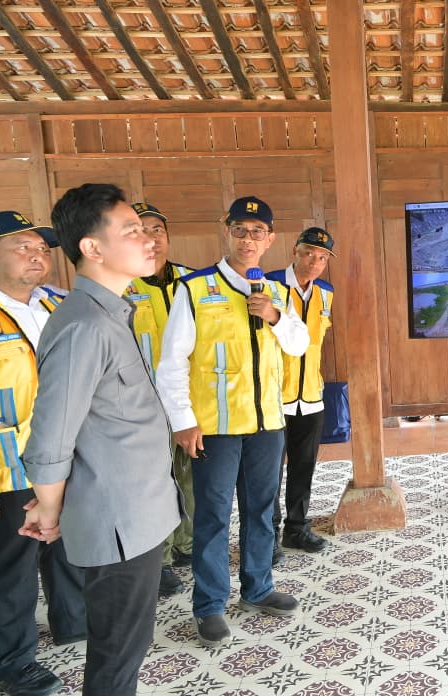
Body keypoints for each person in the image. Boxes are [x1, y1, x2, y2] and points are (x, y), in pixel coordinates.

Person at [19, 184, 181, 696]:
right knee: (115, 659)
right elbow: (51, 436)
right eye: (131, 231)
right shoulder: (85, 324)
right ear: (92, 247)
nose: (148, 239)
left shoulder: (111, 312)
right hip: (118, 520)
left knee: (126, 647)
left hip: (136, 513)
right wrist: (50, 509)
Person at [155, 196, 309, 648]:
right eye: (240, 230)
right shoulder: (195, 288)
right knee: (213, 515)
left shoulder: (276, 291)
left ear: (270, 239)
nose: (248, 239)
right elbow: (172, 362)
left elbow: (298, 344)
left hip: (267, 423)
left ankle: (258, 588)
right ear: (227, 233)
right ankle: (209, 605)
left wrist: (274, 316)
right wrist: (183, 421)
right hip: (216, 427)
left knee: (261, 510)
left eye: (257, 232)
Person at [0, 211, 86, 696]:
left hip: (63, 451)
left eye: (41, 249)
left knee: (65, 541)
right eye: (22, 248)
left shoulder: (57, 304)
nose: (37, 256)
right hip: (9, 463)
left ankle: (73, 620)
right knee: (14, 562)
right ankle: (13, 662)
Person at [125, 202, 195, 598]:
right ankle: (161, 559)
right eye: (141, 230)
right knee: (156, 482)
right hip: (143, 404)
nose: (151, 238)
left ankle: (188, 544)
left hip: (188, 400)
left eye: (158, 230)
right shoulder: (121, 285)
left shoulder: (192, 281)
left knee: (190, 475)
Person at [267, 227, 335, 562]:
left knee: (303, 467)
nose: (314, 262)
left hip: (310, 396)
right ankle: (266, 536)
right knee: (268, 473)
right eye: (308, 253)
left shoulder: (326, 293)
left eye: (322, 257)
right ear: (294, 251)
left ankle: (296, 528)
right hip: (273, 397)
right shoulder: (270, 285)